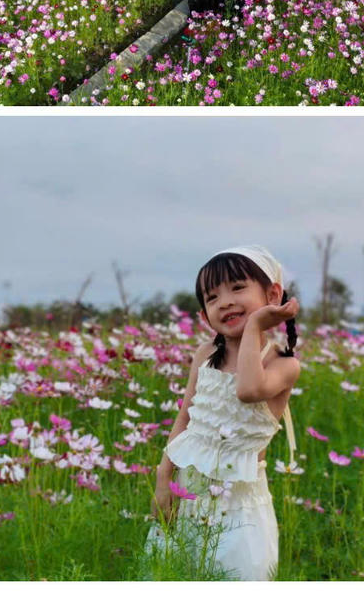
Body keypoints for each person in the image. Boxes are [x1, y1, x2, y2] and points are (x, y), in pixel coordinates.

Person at [149, 247, 300, 580]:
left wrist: (255, 326)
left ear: (272, 295)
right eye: (212, 297)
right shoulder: (205, 354)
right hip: (188, 494)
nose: (226, 302)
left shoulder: (283, 364)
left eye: (237, 287)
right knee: (177, 574)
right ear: (205, 316)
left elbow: (248, 390)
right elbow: (185, 418)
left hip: (240, 509)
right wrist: (164, 478)